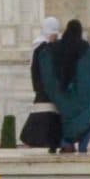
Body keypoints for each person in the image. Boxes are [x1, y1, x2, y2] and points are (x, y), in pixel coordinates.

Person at [39, 19, 90, 154]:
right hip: (83, 98)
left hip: (64, 98)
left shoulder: (56, 49)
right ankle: (83, 148)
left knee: (66, 123)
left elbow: (46, 65)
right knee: (85, 123)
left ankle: (66, 144)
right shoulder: (87, 50)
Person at [24, 19, 64, 150]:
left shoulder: (53, 45)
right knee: (44, 111)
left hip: (47, 85)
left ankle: (44, 140)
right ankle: (36, 139)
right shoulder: (40, 45)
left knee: (49, 112)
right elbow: (36, 66)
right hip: (44, 84)